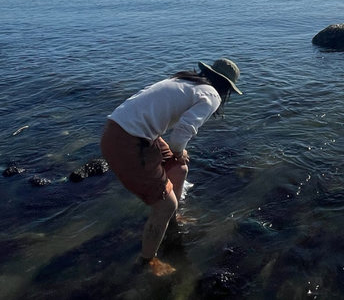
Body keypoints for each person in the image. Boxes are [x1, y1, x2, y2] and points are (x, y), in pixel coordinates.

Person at [100, 58, 242, 276]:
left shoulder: (183, 79)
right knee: (165, 204)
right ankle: (148, 261)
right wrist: (179, 151)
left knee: (179, 169)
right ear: (225, 87)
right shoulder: (211, 95)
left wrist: (177, 154)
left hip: (121, 129)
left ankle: (172, 218)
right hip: (128, 141)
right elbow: (181, 135)